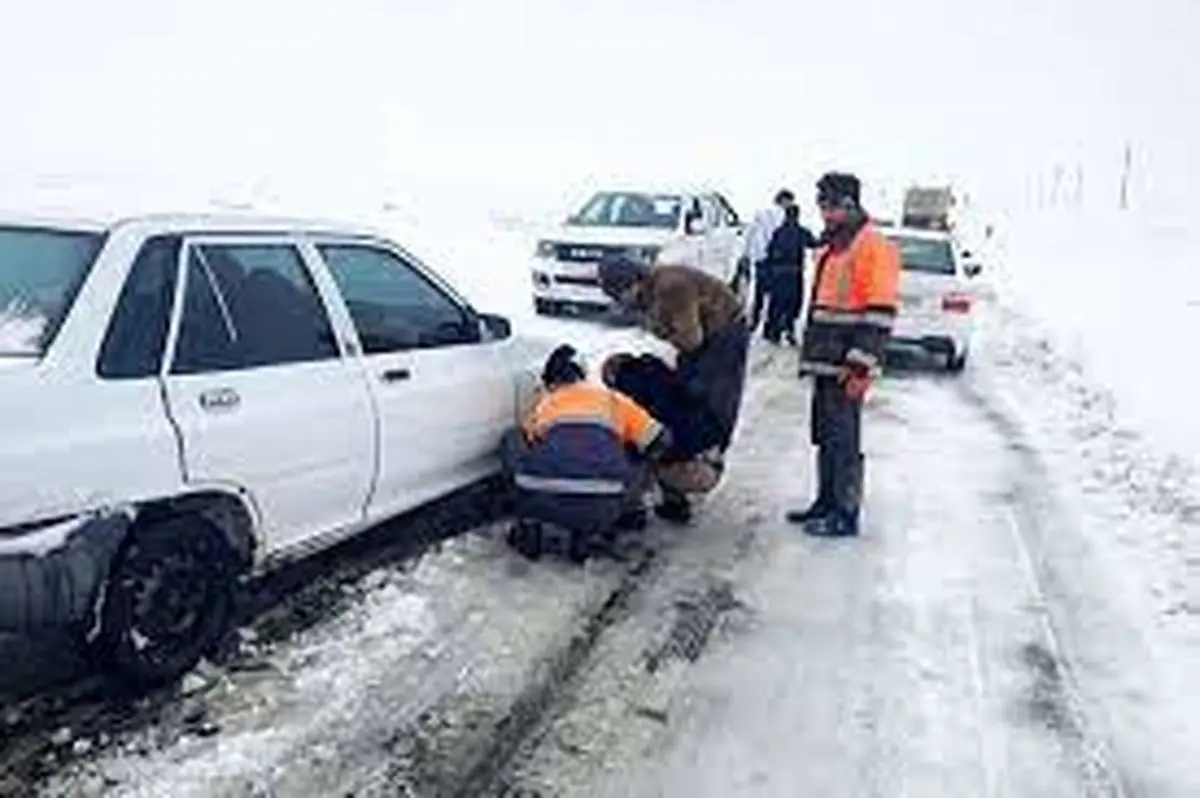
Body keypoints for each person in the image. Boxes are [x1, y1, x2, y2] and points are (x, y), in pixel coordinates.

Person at [596, 257, 750, 524]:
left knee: (703, 405)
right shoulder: (655, 292)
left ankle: (701, 462)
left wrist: (657, 327)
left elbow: (690, 340)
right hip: (708, 343)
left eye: (620, 294)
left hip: (723, 339)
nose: (623, 303)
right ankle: (681, 482)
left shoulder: (670, 287)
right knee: (685, 401)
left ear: (634, 281)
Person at [789, 172, 900, 537]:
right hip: (824, 361)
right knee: (825, 436)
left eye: (829, 205)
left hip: (846, 364)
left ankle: (845, 512)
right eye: (821, 204)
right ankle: (825, 501)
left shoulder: (872, 246)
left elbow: (879, 312)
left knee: (845, 440)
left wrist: (860, 367)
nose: (823, 212)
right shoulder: (833, 244)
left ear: (848, 204)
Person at [502, 345, 671, 562]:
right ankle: (622, 516)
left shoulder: (544, 405)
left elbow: (527, 442)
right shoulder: (612, 399)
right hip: (604, 503)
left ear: (550, 383)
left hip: (540, 502)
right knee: (640, 446)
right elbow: (660, 439)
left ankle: (529, 520)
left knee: (514, 437)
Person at [601, 352, 727, 495]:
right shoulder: (663, 374)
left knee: (639, 456)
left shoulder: (631, 396)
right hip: (715, 458)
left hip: (690, 468)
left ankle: (670, 499)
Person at [761, 203, 820, 345]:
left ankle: (772, 331)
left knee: (776, 303)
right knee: (793, 303)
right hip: (794, 273)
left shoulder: (778, 232)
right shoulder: (801, 232)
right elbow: (814, 243)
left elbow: (769, 252)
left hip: (778, 273)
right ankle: (789, 328)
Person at [737, 189, 795, 332]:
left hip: (760, 257)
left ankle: (753, 321)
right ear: (784, 201)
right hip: (775, 260)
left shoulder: (760, 213)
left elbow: (750, 234)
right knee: (775, 295)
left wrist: (746, 254)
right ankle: (770, 325)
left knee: (759, 293)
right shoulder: (783, 216)